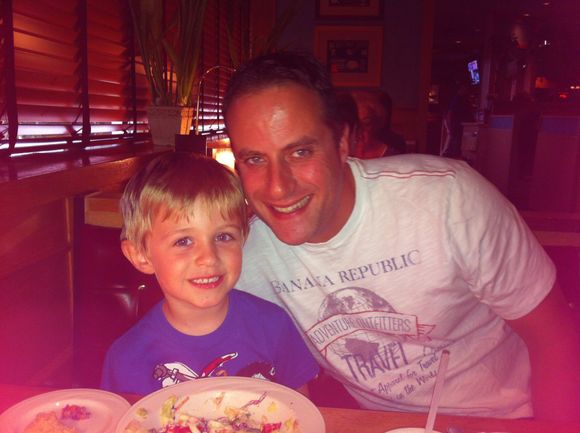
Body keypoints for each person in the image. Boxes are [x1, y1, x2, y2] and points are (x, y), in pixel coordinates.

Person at [222, 51, 580, 420]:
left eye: (300, 152)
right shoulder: (240, 255)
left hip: (504, 418)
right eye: (255, 159)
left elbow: (554, 336)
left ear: (342, 143)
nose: (278, 187)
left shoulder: (448, 199)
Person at [100, 152, 319, 395]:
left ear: (243, 239)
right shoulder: (126, 358)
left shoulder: (274, 325)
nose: (209, 257)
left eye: (223, 236)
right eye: (183, 241)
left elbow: (301, 406)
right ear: (141, 255)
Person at [351, 90, 407, 158]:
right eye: (354, 124)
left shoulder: (392, 154)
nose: (359, 131)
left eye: (366, 124)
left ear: (376, 124)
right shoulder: (343, 152)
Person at [441, 83, 474, 158]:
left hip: (456, 124)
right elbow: (450, 113)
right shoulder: (457, 99)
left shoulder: (459, 99)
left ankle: (449, 156)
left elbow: (450, 113)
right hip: (456, 125)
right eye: (464, 89)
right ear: (461, 89)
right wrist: (449, 125)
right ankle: (450, 156)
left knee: (454, 142)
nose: (465, 90)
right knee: (454, 142)